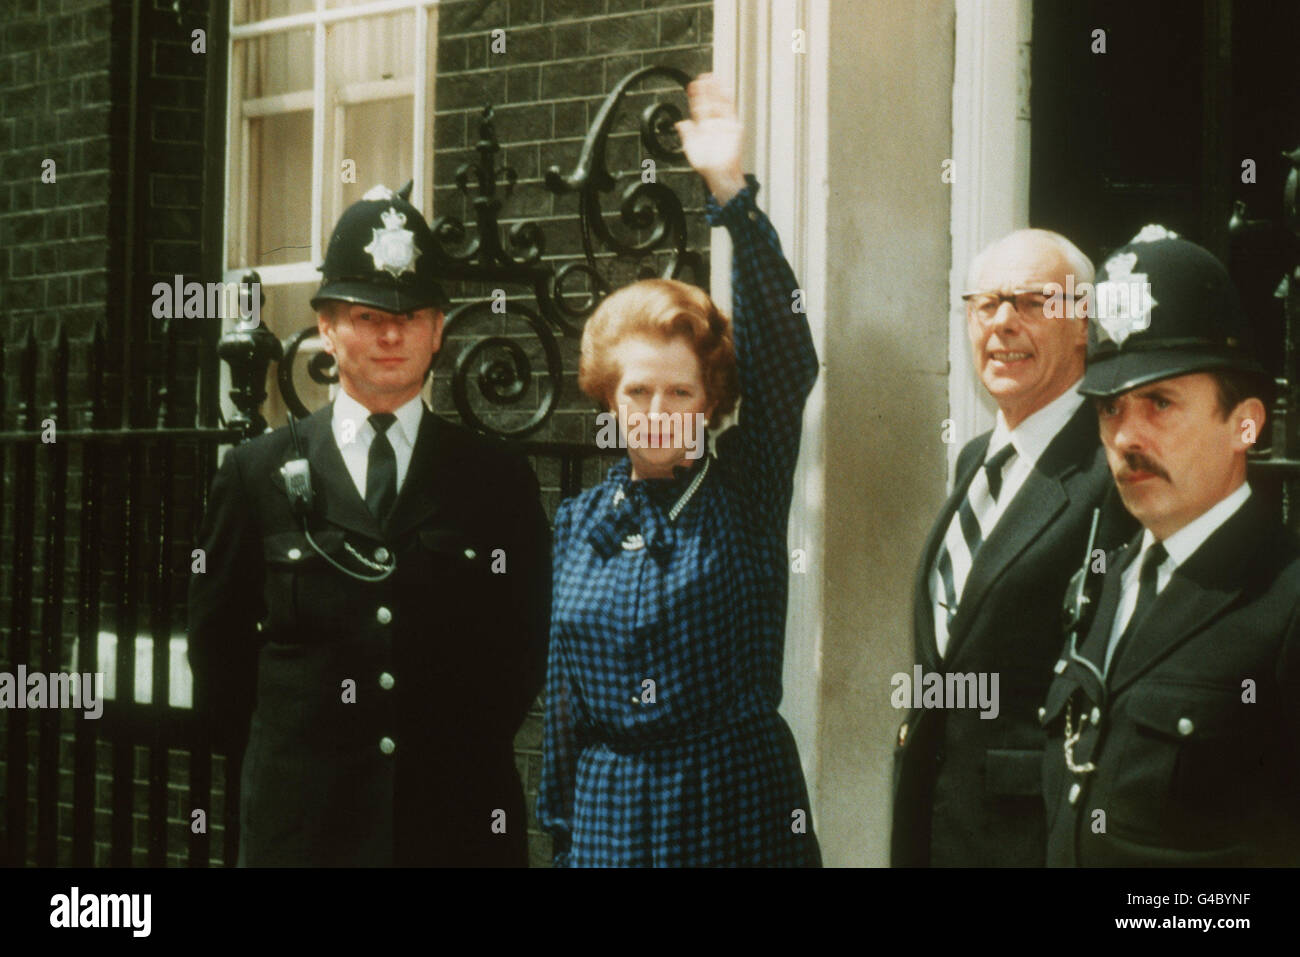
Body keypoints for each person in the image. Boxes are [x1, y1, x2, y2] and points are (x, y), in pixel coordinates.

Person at [187, 184, 550, 867]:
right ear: (326, 328)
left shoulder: (494, 480)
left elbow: (522, 647)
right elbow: (218, 656)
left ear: (438, 330)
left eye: (411, 316)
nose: (391, 335)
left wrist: (450, 753)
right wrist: (296, 767)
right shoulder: (257, 473)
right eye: (366, 315)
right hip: (305, 834)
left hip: (451, 827)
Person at [535, 74, 821, 867]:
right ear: (610, 396)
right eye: (638, 390)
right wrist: (562, 832)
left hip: (732, 804)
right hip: (610, 813)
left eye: (680, 390)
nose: (657, 409)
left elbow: (787, 359)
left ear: (712, 399)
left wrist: (730, 191)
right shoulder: (579, 523)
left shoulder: (746, 492)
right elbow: (564, 704)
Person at [1040, 226, 1300, 866]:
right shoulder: (1104, 578)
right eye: (1109, 408)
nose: (1125, 437)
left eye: (1159, 402)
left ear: (1245, 425)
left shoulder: (1283, 599)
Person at [892, 229, 1135, 867]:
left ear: (1082, 323)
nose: (1003, 322)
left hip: (1031, 837)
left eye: (1031, 302)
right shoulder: (976, 460)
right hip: (935, 825)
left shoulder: (1110, 473)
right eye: (987, 304)